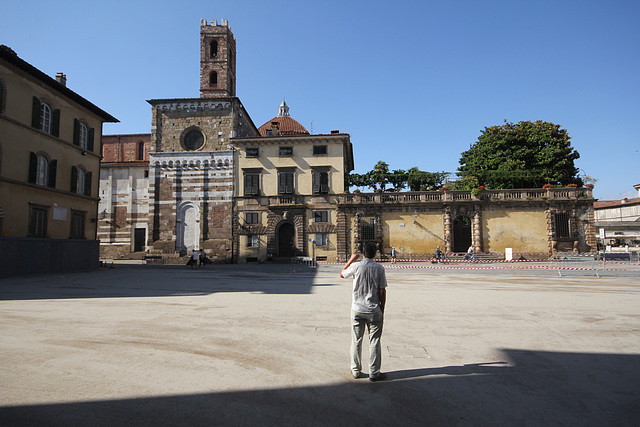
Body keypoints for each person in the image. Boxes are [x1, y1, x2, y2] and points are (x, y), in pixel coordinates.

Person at [340, 242, 388, 382]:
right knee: (374, 341)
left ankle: (355, 370)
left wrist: (351, 259)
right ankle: (374, 372)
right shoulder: (379, 268)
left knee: (356, 340)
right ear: (375, 253)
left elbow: (342, 274)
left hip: (357, 309)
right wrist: (382, 308)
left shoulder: (356, 266)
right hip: (374, 309)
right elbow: (382, 291)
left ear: (364, 253)